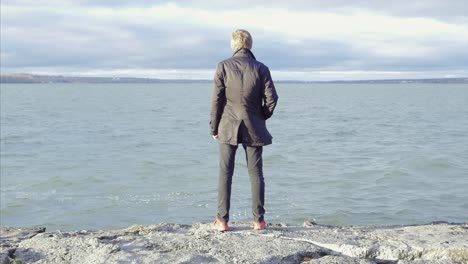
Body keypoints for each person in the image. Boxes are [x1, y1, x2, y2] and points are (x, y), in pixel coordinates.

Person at [210, 29, 279, 231]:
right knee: (256, 173)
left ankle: (222, 221)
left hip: (227, 126)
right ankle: (259, 221)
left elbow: (216, 100)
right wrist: (261, 116)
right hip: (253, 126)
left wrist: (214, 128)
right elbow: (272, 100)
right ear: (250, 44)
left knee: (225, 173)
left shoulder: (223, 66)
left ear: (234, 45)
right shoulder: (261, 68)